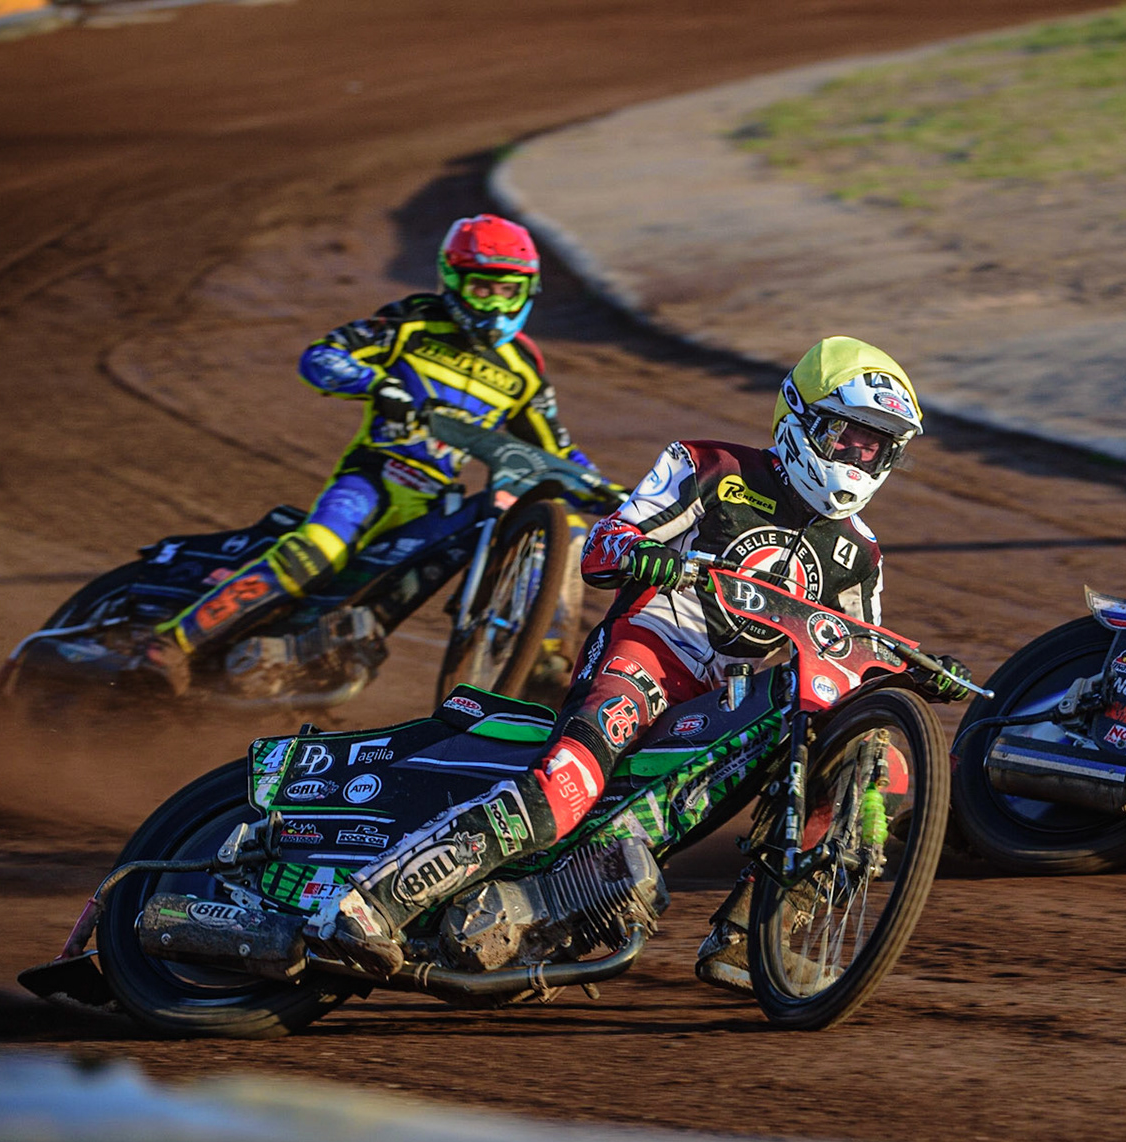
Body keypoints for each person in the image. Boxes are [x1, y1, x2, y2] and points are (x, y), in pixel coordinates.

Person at [305, 336, 973, 988]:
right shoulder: (709, 466)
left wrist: (914, 669)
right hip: (650, 653)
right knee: (567, 785)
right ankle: (371, 902)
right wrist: (637, 552)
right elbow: (604, 541)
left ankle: (750, 941)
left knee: (873, 765)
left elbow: (858, 650)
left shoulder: (861, 553)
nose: (859, 457)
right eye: (848, 436)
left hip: (735, 703)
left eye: (877, 446)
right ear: (800, 419)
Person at [141, 214, 595, 691]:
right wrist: (379, 385)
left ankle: (543, 662)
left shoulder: (523, 368)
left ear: (528, 291)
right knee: (318, 551)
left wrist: (618, 497)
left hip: (433, 502)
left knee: (556, 520)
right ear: (454, 281)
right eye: (483, 289)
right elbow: (322, 357)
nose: (496, 303)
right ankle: (173, 643)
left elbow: (555, 450)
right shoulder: (411, 321)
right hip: (374, 478)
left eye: (509, 291)